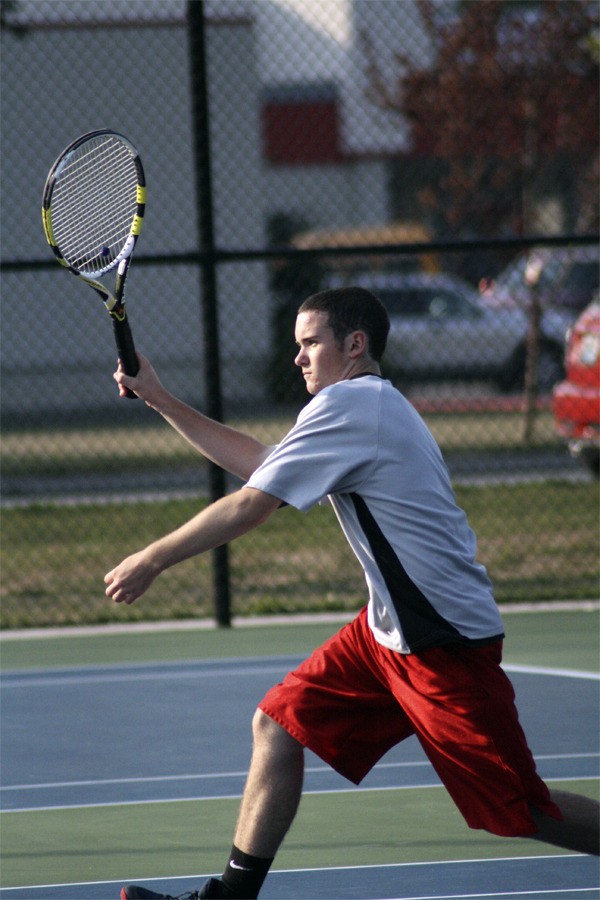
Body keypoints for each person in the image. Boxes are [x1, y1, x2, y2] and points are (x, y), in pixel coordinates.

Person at [107, 287, 599, 900]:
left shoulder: (353, 405)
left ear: (355, 345)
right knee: (278, 723)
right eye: (297, 345)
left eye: (310, 342)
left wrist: (151, 558)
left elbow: (251, 504)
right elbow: (264, 464)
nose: (298, 358)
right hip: (387, 636)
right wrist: (160, 398)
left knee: (527, 813)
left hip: (441, 645)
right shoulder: (357, 407)